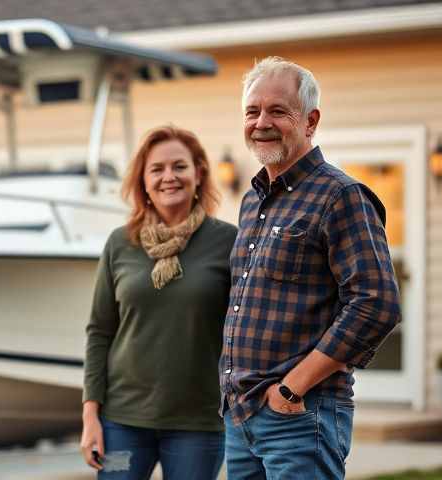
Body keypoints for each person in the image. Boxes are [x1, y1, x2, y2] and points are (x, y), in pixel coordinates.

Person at [220, 56, 402, 479]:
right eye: (252, 111)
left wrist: (291, 387)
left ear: (310, 120)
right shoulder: (252, 201)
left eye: (278, 110)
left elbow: (376, 304)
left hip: (300, 416)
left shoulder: (341, 195)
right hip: (242, 416)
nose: (261, 121)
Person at [81, 125, 237, 480]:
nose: (169, 177)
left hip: (198, 424)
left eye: (179, 166)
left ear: (198, 174)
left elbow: (244, 331)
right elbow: (99, 332)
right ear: (143, 181)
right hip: (121, 423)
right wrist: (91, 417)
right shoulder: (120, 244)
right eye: (157, 169)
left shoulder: (229, 242)